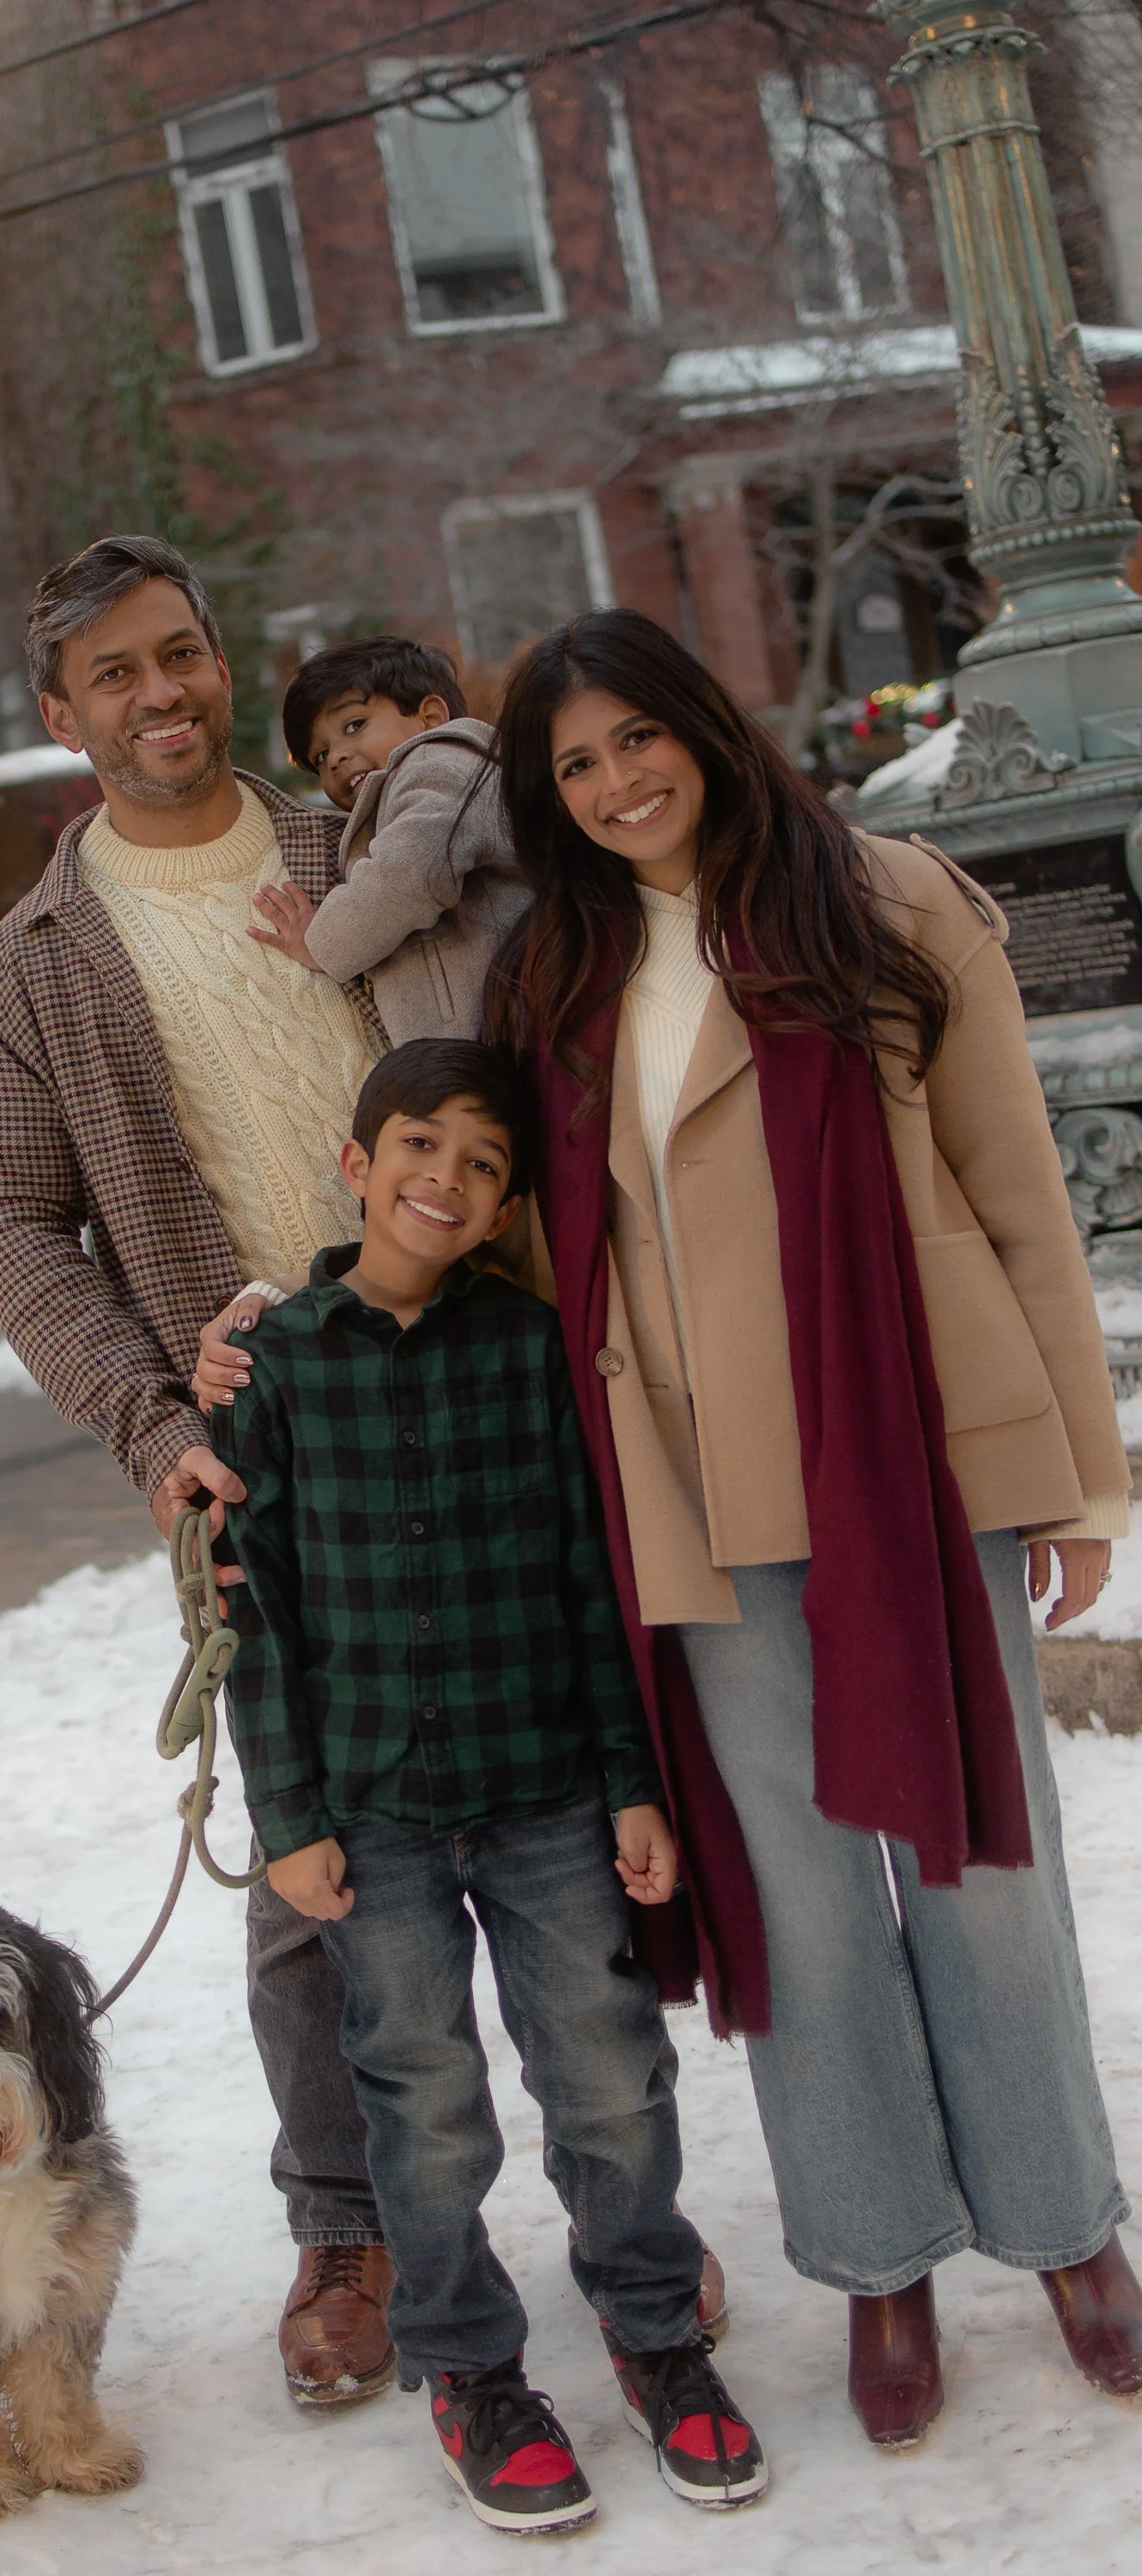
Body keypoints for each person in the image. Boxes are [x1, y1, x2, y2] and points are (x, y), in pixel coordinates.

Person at [481, 605, 1141, 2448]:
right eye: (575, 765)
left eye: (636, 737)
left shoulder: (885, 902)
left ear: (703, 722)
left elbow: (1016, 1191)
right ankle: (878, 2255)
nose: (618, 782)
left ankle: (1065, 2228)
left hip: (907, 1463)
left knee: (982, 1867)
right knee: (799, 1897)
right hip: (693, 1500)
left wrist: (1077, 1476)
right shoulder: (557, 973)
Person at [0, 534, 401, 2408]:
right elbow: (4, 1216)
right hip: (257, 1442)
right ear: (64, 717)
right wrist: (154, 1425)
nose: (163, 695)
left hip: (481, 1385)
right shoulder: (30, 972)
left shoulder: (364, 851)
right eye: (117, 675)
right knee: (307, 1869)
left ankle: (620, 2196)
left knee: (554, 1821)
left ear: (224, 659)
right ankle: (346, 2230)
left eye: (182, 654)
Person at [209, 1037, 768, 2532]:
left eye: (482, 1163)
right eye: (418, 1146)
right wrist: (290, 1819)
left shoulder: (528, 1350)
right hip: (373, 1812)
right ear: (358, 1164)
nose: (443, 1179)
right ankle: (468, 2366)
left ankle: (655, 2331)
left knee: (607, 2076)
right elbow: (253, 1611)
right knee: (426, 2100)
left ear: (508, 1203)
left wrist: (630, 1783)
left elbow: (592, 1584)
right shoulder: (275, 1366)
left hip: (543, 1792)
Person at [245, 635, 532, 1042]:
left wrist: (321, 942)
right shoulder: (406, 793)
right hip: (479, 1037)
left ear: (430, 717)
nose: (336, 757)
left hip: (507, 1027)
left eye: (354, 726)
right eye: (320, 756)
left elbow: (412, 872)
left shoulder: (440, 764)